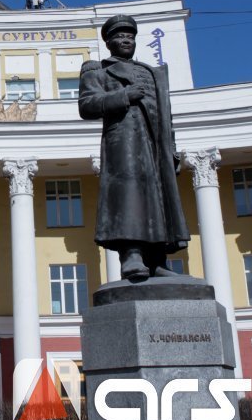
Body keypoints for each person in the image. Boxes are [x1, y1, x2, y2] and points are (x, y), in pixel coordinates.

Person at [79, 14, 189, 280]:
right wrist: (123, 96)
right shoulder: (98, 71)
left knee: (158, 196)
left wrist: (172, 149)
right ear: (108, 43)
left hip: (155, 145)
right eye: (120, 36)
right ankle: (131, 255)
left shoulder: (151, 73)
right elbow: (87, 105)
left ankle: (157, 260)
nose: (126, 40)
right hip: (124, 142)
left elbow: (165, 114)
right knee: (129, 195)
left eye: (130, 36)